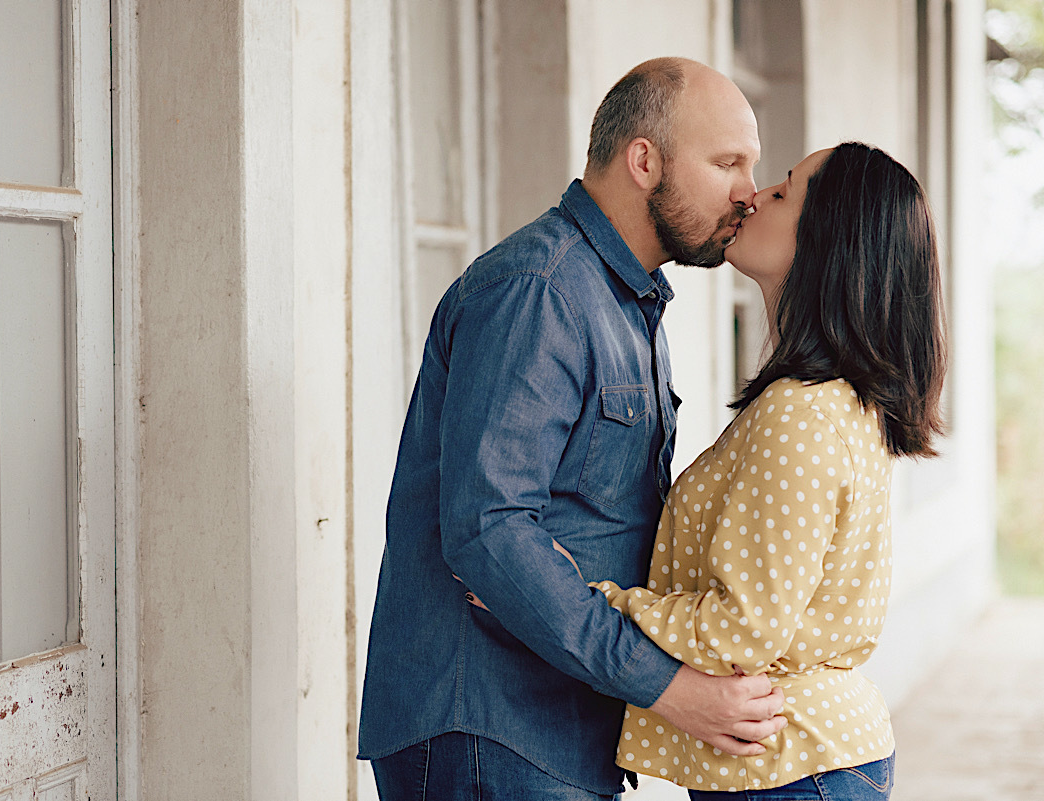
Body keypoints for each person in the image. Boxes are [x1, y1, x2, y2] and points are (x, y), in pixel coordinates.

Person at [358, 57, 788, 800]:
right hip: (490, 723)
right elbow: (490, 529)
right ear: (645, 160)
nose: (749, 191)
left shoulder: (630, 299)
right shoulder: (541, 291)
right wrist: (669, 685)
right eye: (727, 163)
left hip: (555, 724)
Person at [588, 143, 946, 798]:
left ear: (827, 244)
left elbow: (740, 629)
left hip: (792, 767)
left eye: (782, 192)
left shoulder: (800, 416)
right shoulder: (832, 400)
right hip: (805, 760)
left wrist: (583, 599)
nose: (753, 196)